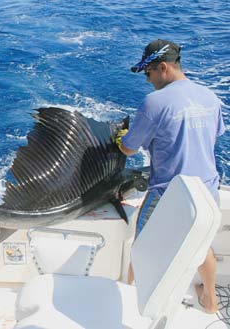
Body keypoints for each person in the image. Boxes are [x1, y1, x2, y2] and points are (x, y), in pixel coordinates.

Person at [116, 39, 225, 314]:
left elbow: (128, 149)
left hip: (168, 193)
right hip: (207, 190)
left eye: (148, 73)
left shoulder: (155, 102)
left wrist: (120, 138)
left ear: (163, 67)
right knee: (201, 246)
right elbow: (210, 137)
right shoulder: (210, 97)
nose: (147, 80)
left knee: (142, 250)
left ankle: (132, 307)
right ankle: (210, 300)